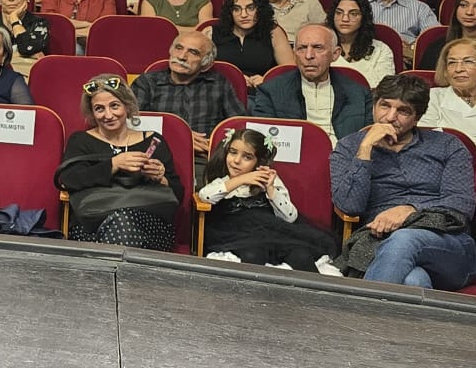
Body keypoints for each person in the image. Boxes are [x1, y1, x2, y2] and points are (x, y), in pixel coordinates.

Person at [331, 75, 476, 288]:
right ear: (374, 106)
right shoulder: (348, 147)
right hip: (379, 241)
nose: (390, 117)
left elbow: (460, 204)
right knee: (413, 280)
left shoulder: (448, 146)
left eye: (403, 111)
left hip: (448, 244)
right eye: (385, 106)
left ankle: (359, 315)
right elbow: (349, 206)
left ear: (417, 117)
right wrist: (364, 150)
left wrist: (410, 210)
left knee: (405, 239)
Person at [55, 75, 182, 249]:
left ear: (127, 106)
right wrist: (114, 164)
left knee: (124, 224)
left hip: (149, 223)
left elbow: (178, 194)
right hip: (93, 222)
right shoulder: (81, 140)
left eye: (114, 106)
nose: (108, 115)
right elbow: (69, 179)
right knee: (121, 225)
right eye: (99, 109)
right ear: (92, 113)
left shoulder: (153, 141)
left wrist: (161, 178)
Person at [200, 129, 340, 272]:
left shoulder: (269, 182)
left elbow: (290, 217)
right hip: (234, 234)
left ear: (258, 162)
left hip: (272, 231)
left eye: (247, 157)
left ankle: (314, 292)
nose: (236, 161)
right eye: (233, 152)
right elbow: (206, 196)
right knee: (253, 254)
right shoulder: (223, 182)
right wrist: (241, 180)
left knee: (301, 256)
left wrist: (271, 190)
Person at [132, 28, 242, 157]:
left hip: (205, 157)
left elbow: (239, 126)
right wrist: (179, 138)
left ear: (206, 64)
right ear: (171, 51)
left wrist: (215, 145)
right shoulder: (147, 82)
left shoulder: (218, 84)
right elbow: (130, 124)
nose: (182, 57)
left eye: (193, 52)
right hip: (156, 154)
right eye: (178, 48)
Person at [250, 23, 373, 138]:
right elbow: (263, 142)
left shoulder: (359, 93)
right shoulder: (271, 91)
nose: (308, 55)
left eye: (318, 48)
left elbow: (368, 139)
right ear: (294, 53)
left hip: (345, 157)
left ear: (335, 54)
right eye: (302, 48)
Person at [209, 0, 295, 86]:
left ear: (260, 9)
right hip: (221, 90)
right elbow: (197, 70)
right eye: (237, 9)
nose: (244, 14)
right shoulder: (211, 32)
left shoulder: (274, 32)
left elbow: (290, 72)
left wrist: (268, 80)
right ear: (230, 12)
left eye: (250, 8)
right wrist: (231, 79)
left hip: (261, 92)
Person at [423, 38, 476, 144]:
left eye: (468, 61)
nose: (458, 69)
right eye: (452, 62)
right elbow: (424, 138)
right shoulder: (432, 97)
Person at [331, 0, 397, 87]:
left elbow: (385, 90)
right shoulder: (320, 48)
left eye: (353, 14)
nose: (345, 19)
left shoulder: (381, 50)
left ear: (364, 17)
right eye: (339, 13)